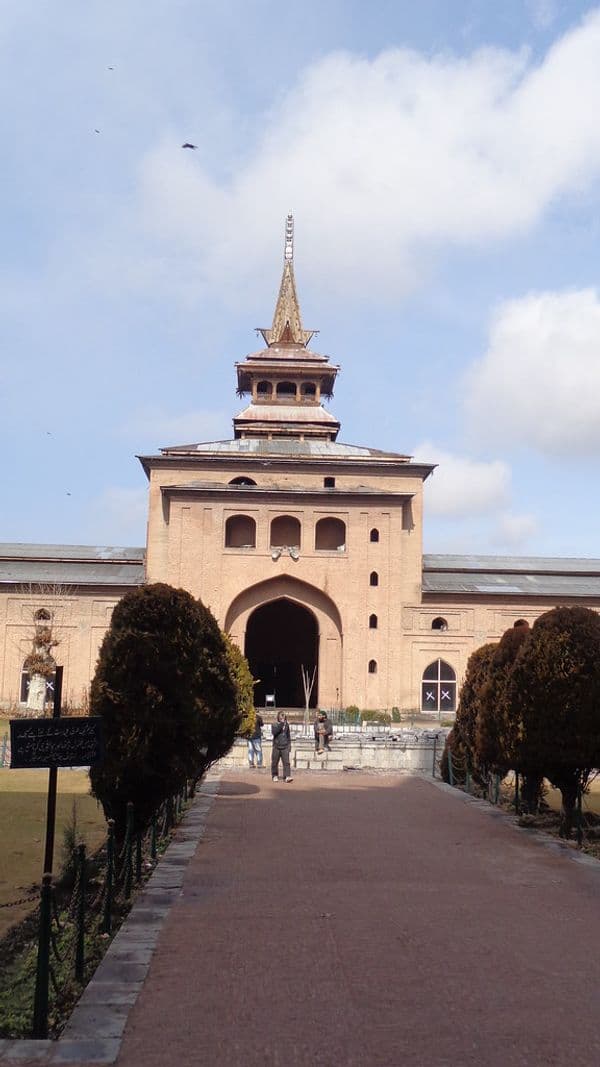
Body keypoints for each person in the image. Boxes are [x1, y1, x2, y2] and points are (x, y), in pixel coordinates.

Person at [271, 711, 293, 782]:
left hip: (285, 746)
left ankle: (287, 776)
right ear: (278, 717)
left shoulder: (286, 725)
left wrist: (289, 745)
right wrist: (281, 724)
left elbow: (288, 735)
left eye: (283, 717)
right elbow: (275, 732)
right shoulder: (274, 724)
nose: (282, 718)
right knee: (274, 762)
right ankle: (274, 775)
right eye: (281, 717)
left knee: (286, 762)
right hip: (276, 746)